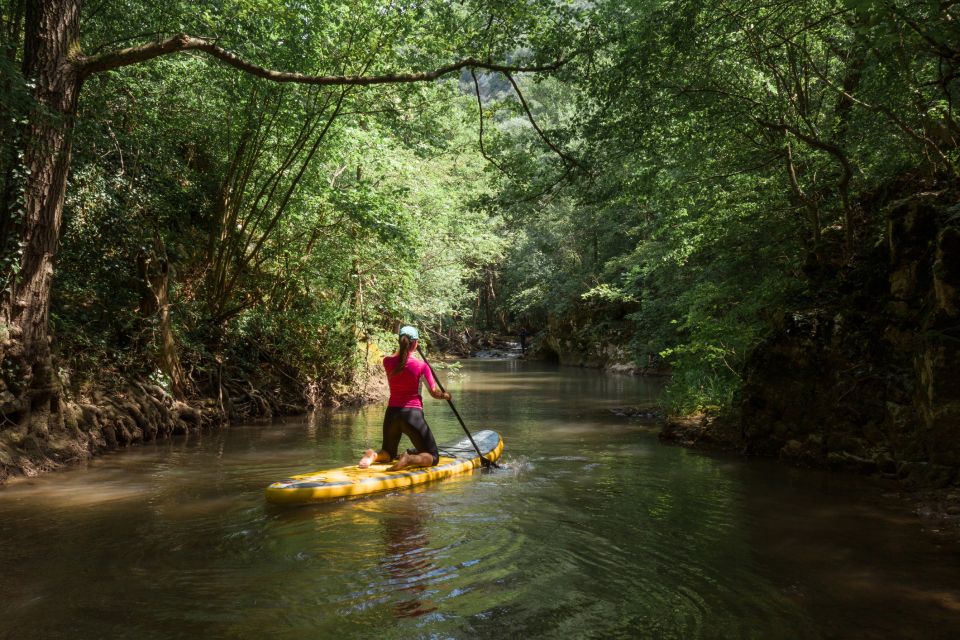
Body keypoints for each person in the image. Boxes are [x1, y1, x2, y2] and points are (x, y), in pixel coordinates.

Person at [358, 325, 451, 471]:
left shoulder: (387, 362)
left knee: (388, 453)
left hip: (392, 414)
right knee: (433, 457)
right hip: (412, 415)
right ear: (415, 343)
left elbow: (399, 359)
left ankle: (373, 455)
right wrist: (445, 395)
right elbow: (434, 392)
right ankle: (409, 458)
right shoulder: (422, 366)